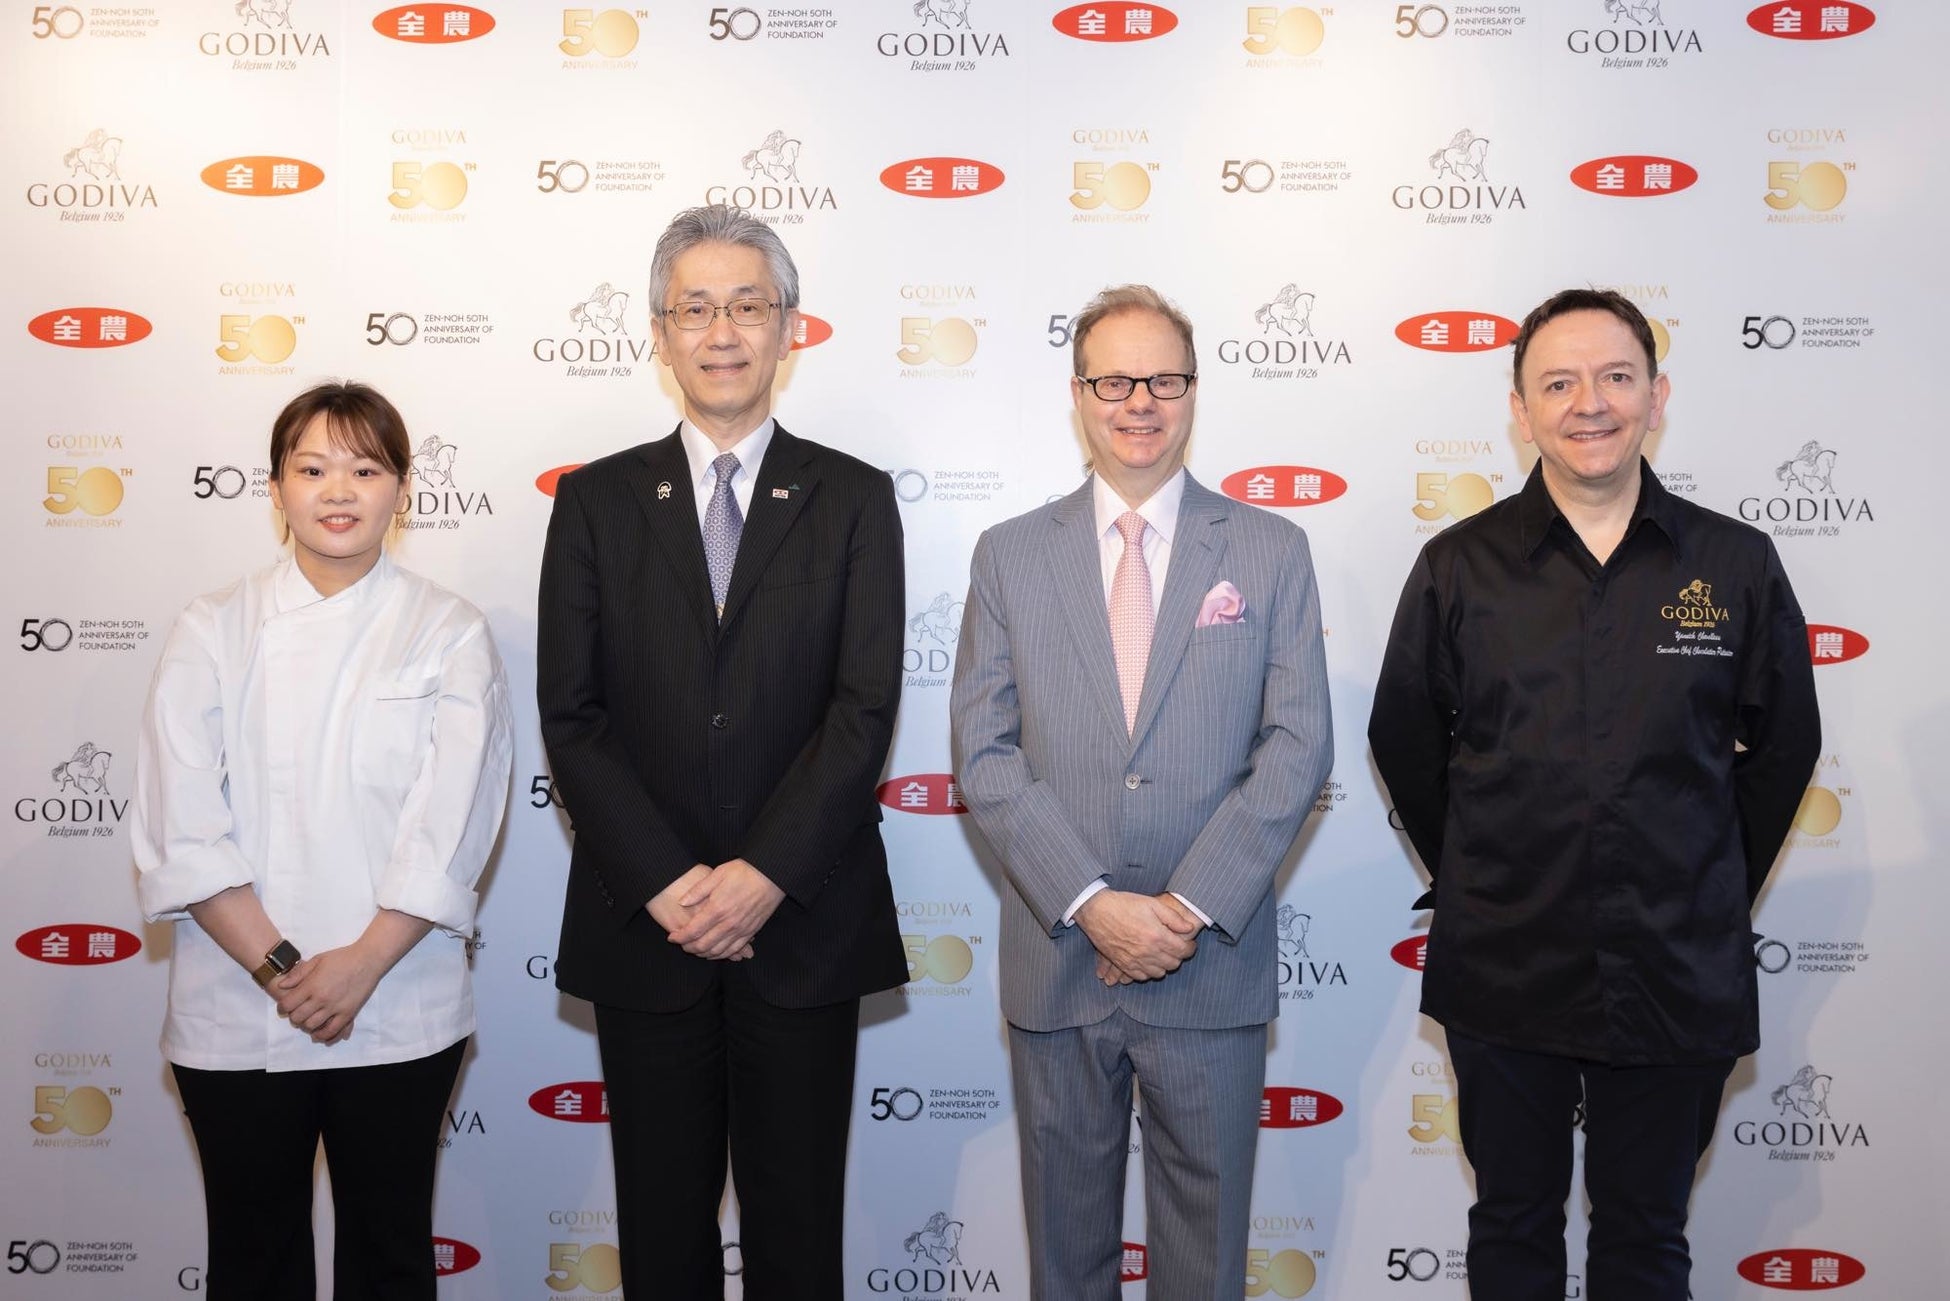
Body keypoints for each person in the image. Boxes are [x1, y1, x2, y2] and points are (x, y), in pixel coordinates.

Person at [1368, 288, 1822, 1301]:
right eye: (1558, 382)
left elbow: (1786, 745)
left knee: (1647, 1238)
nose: (1591, 403)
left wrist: (1705, 872)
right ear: (1521, 409)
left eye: (1617, 376)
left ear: (1657, 395)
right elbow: (1403, 738)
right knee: (1514, 1226)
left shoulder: (1734, 562)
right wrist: (1482, 869)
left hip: (1676, 958)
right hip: (1505, 959)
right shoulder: (1458, 568)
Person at [537, 203, 907, 1300]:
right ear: (659, 335)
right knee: (659, 1233)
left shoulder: (852, 498)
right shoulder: (596, 502)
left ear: (789, 327)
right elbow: (574, 715)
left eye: (748, 304)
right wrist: (670, 883)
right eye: (695, 308)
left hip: (803, 922)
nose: (723, 329)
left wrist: (759, 877)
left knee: (798, 1232)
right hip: (644, 928)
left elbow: (863, 708)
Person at [950, 284, 1333, 1300]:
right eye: (1114, 379)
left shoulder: (1269, 550)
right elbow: (984, 754)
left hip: (1208, 959)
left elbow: (1298, 745)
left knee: (1204, 1261)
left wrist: (1181, 909)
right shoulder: (1008, 554)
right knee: (1066, 1261)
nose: (1139, 402)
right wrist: (1092, 903)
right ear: (1078, 393)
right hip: (1060, 953)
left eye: (1163, 379)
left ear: (1193, 390)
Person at [133, 381, 513, 1299]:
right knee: (253, 1259)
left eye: (365, 467)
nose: (338, 489)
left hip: (399, 1001)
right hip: (237, 1002)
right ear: (274, 488)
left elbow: (451, 822)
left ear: (402, 488)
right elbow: (182, 820)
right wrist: (282, 970)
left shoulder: (449, 630)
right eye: (312, 467)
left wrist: (359, 966)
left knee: (389, 1254)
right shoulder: (210, 628)